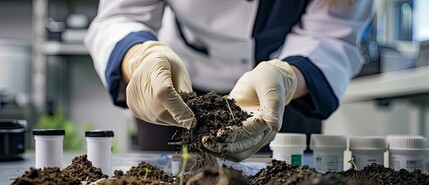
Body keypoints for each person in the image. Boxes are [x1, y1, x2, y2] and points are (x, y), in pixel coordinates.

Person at [85, 0, 373, 161]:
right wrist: (140, 57)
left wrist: (288, 78)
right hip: (173, 85)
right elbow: (120, 16)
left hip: (281, 93)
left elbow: (333, 33)